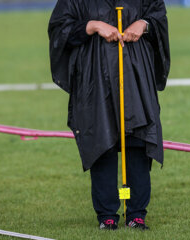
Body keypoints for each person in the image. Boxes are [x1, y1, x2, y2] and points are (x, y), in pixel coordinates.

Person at [48, 0, 170, 230]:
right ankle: (107, 215)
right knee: (101, 142)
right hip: (95, 79)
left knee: (138, 141)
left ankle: (136, 213)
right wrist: (92, 26)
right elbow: (59, 28)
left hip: (135, 76)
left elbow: (158, 16)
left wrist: (143, 24)